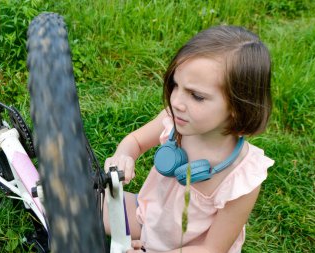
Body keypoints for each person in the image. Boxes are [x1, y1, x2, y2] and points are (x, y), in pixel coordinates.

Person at [103, 25, 274, 253]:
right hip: (146, 217)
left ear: (238, 105)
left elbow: (212, 248)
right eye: (176, 85)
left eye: (196, 96)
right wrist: (123, 155)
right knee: (78, 203)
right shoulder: (174, 122)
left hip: (190, 249)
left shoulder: (242, 176)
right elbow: (135, 141)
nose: (176, 102)